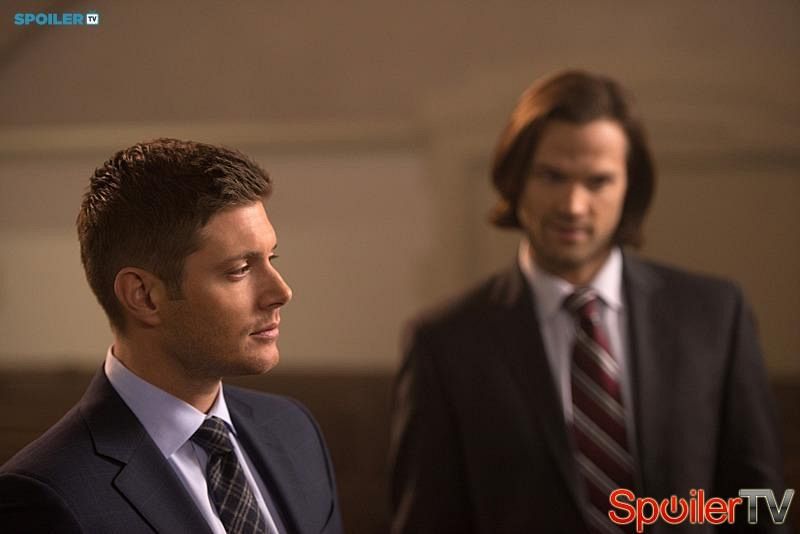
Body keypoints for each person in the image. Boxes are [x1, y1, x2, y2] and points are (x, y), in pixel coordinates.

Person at [390, 71, 789, 533]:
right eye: (552, 176)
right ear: (516, 180)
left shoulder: (714, 317)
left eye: (598, 181)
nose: (573, 205)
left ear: (629, 187)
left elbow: (761, 502)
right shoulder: (445, 343)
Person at [0, 139, 343, 534]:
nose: (281, 292)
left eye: (271, 258)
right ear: (144, 296)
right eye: (239, 270)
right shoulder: (45, 497)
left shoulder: (295, 430)